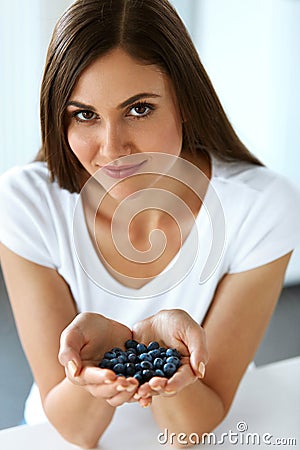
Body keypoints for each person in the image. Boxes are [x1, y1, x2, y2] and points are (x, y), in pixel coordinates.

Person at [0, 0, 300, 448]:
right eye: (85, 115)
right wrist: (109, 353)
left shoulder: (262, 207)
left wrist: (168, 358)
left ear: (184, 103)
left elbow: (190, 429)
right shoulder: (24, 203)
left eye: (139, 109)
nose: (112, 148)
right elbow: (77, 430)